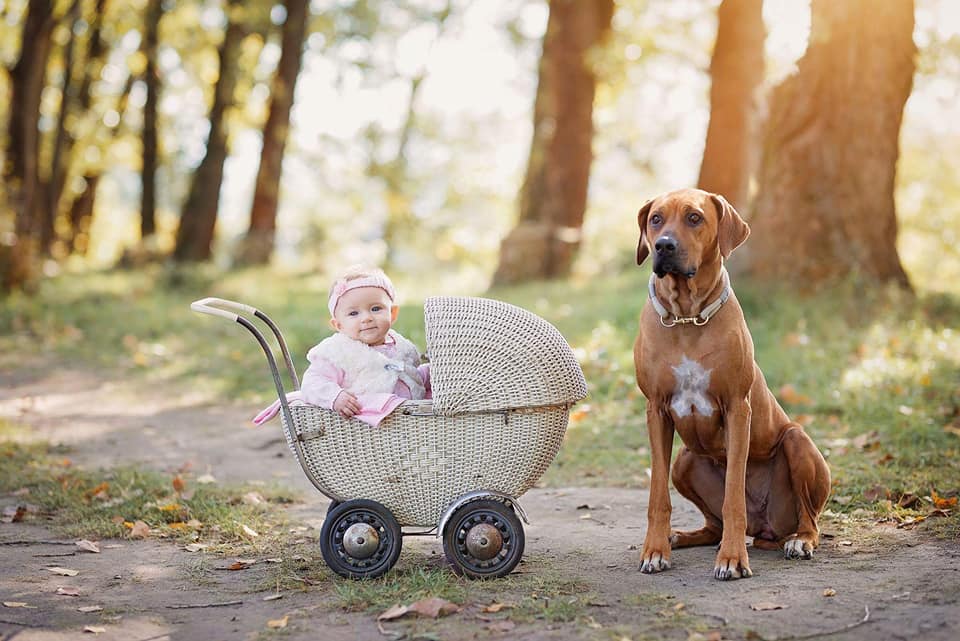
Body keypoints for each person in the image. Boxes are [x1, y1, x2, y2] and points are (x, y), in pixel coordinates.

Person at [252, 266, 429, 428]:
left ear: (392, 313)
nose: (366, 318)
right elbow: (313, 382)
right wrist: (335, 396)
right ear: (338, 325)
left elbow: (413, 377)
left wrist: (433, 372)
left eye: (376, 309)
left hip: (408, 424)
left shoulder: (404, 347)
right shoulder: (339, 352)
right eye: (353, 313)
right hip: (362, 427)